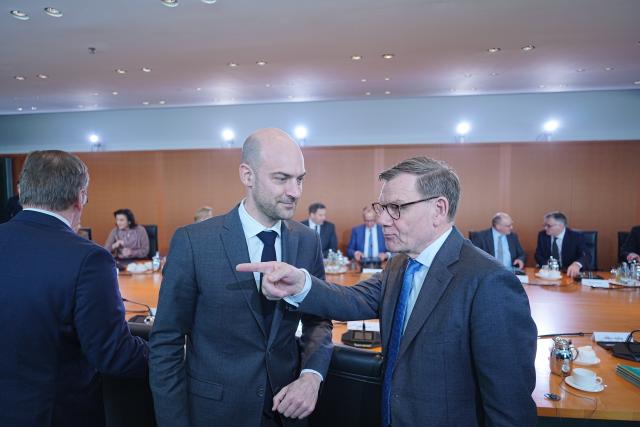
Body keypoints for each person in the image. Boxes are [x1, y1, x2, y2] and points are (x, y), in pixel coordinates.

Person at [238, 156, 538, 426]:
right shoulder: (399, 264)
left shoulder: (489, 282)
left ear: (439, 208)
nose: (382, 219)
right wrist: (301, 283)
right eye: (383, 207)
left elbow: (508, 407)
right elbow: (353, 299)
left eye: (395, 208)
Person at [149, 128, 333, 427]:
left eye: (300, 179)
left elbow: (318, 320)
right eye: (281, 178)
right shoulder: (194, 242)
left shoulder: (307, 240)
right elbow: (167, 341)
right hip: (215, 413)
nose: (295, 191)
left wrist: (311, 377)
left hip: (286, 411)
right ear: (247, 176)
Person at [0, 150, 148, 426]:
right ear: (80, 197)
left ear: (23, 192)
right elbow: (112, 354)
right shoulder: (89, 258)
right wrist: (169, 354)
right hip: (55, 414)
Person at [534, 211, 589, 278]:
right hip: (549, 274)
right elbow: (538, 255)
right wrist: (546, 265)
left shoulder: (576, 236)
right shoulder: (542, 235)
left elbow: (586, 255)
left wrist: (577, 265)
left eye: (548, 226)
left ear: (560, 225)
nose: (545, 228)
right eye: (544, 225)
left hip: (569, 274)